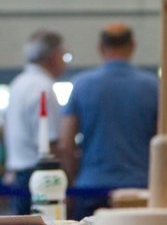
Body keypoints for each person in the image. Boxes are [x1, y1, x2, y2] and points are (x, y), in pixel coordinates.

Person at [58, 23, 158, 220]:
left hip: (90, 189)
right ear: (132, 46)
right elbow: (164, 137)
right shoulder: (153, 86)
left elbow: (65, 144)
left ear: (100, 48)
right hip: (140, 188)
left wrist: (72, 181)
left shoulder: (81, 85)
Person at [3, 30, 66, 214]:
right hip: (39, 175)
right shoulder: (43, 87)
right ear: (54, 56)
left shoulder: (18, 83)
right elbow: (50, 142)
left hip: (18, 173)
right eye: (65, 56)